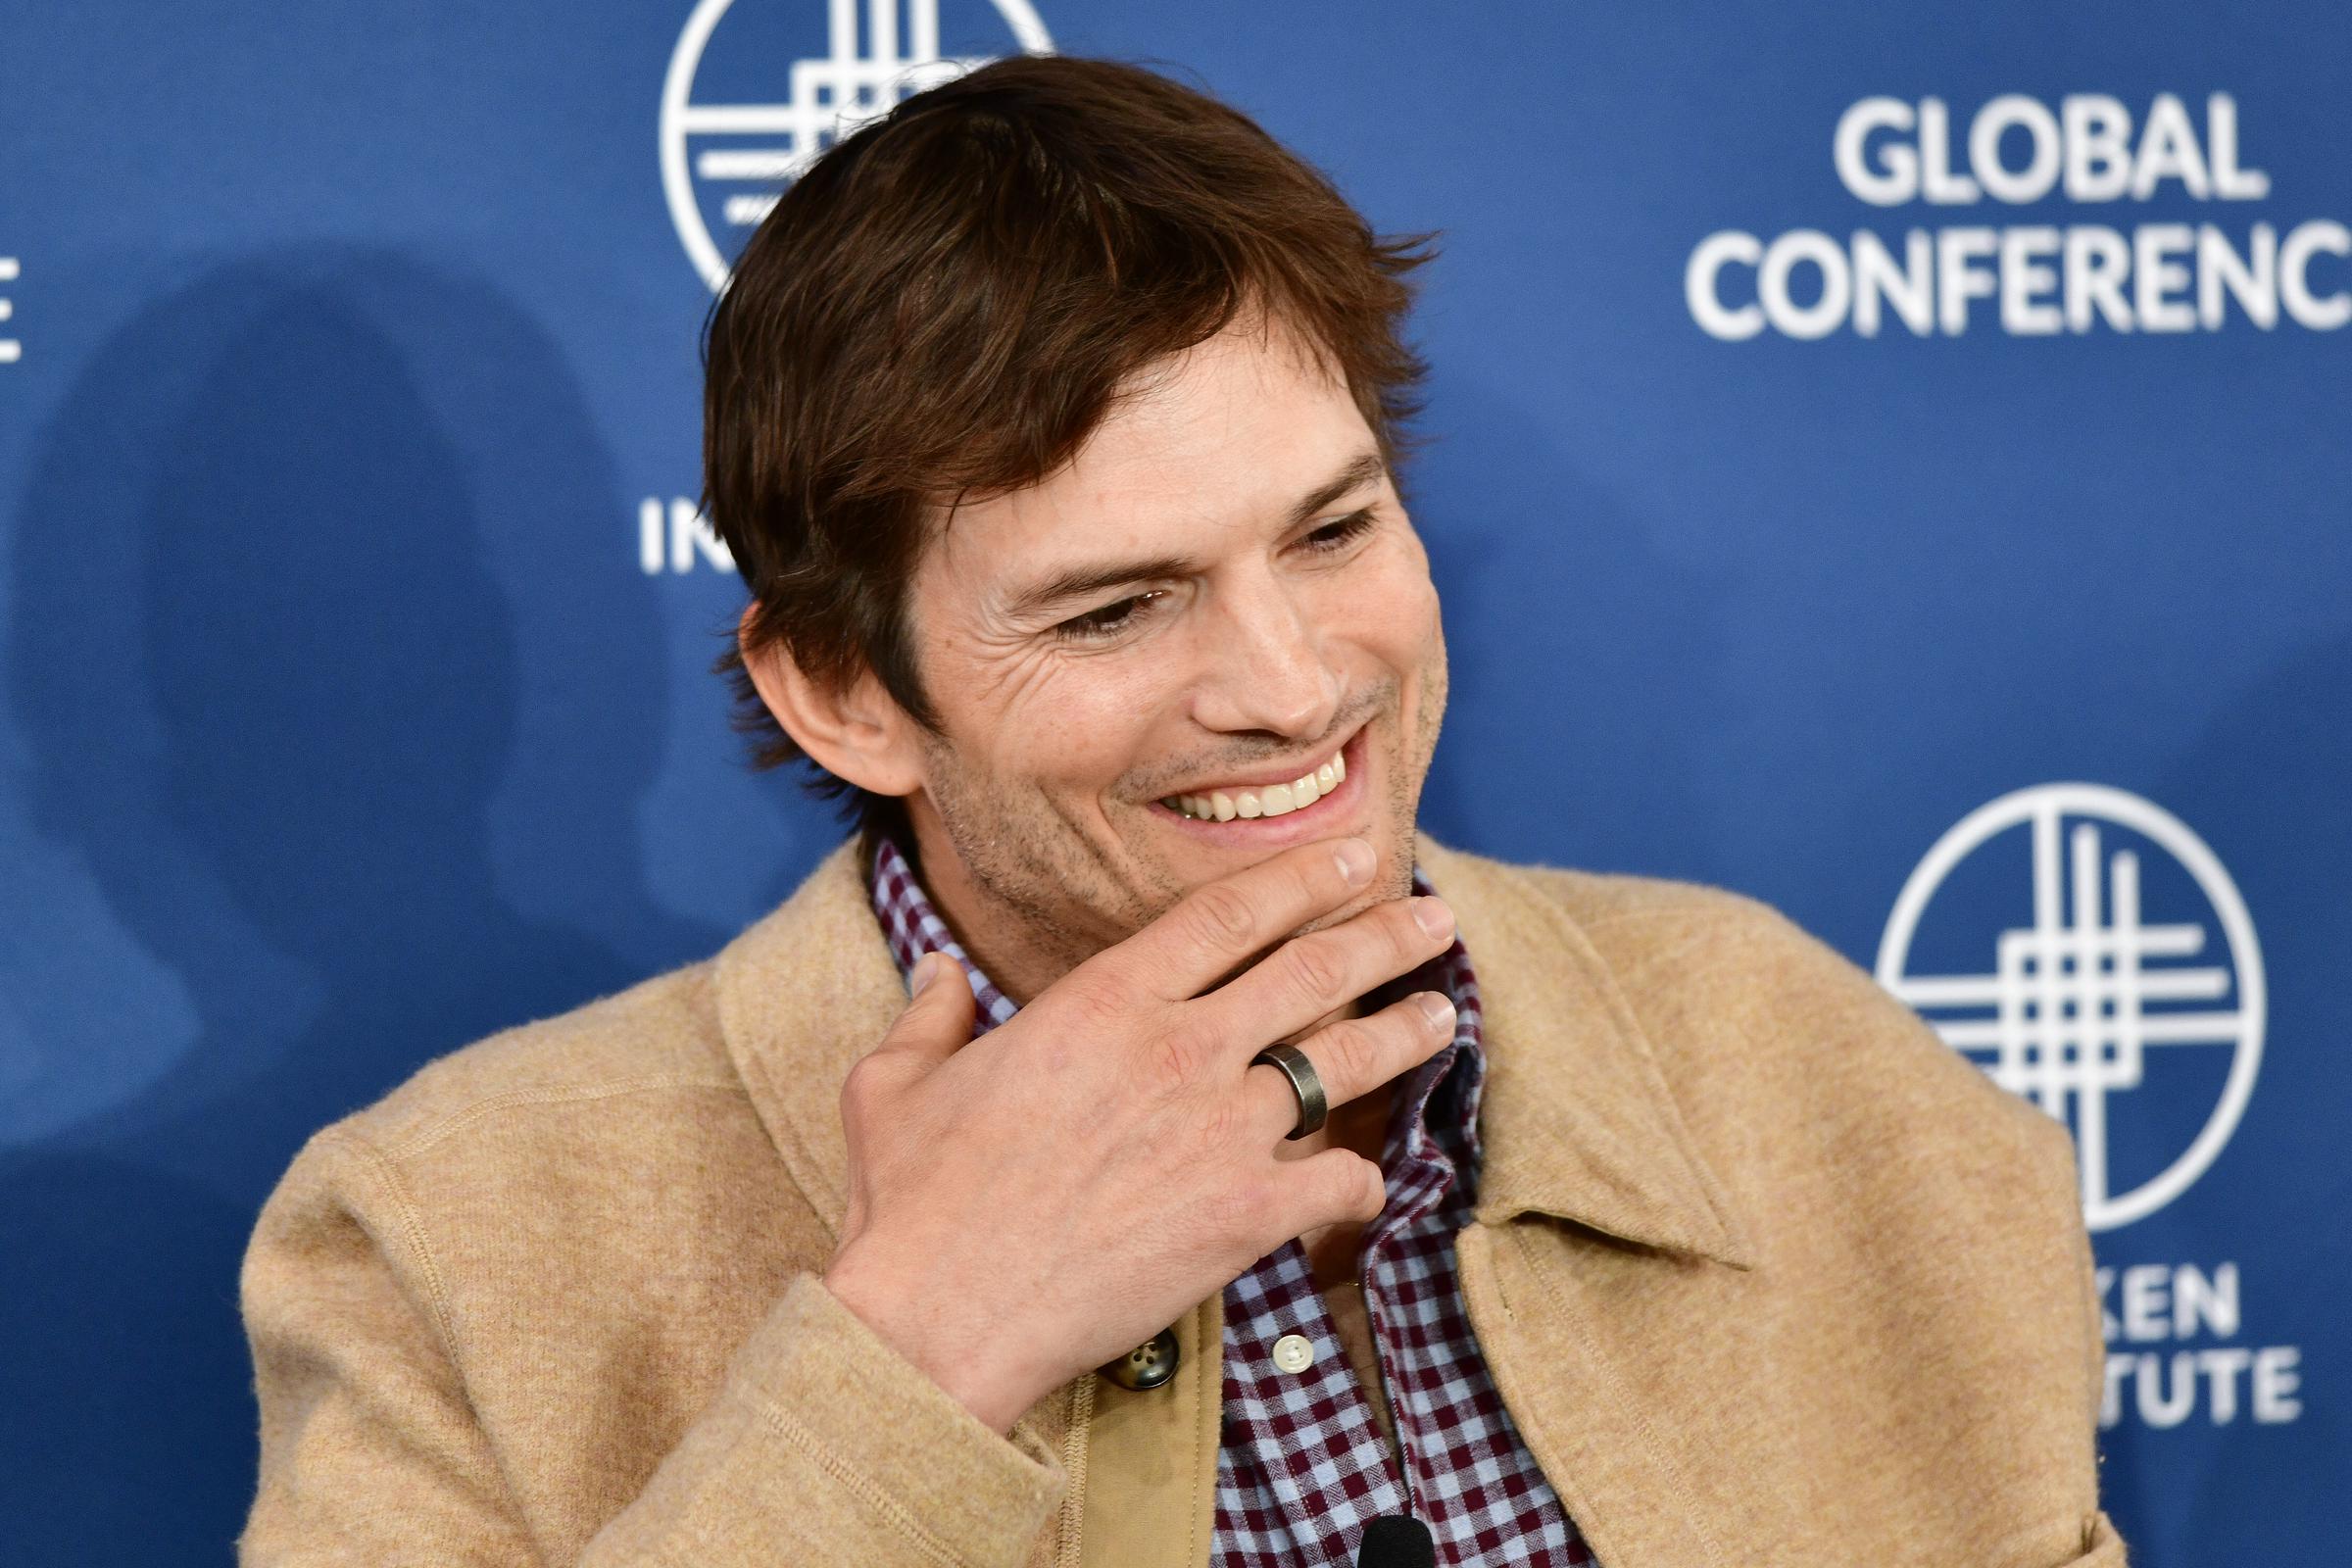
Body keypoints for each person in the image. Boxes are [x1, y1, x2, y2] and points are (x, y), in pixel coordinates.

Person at [236, 55, 2126, 1568]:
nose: (1295, 686)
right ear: (845, 687)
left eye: (1334, 530)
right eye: (1118, 608)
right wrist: (914, 1358)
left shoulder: (1822, 1079)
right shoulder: (450, 1241)